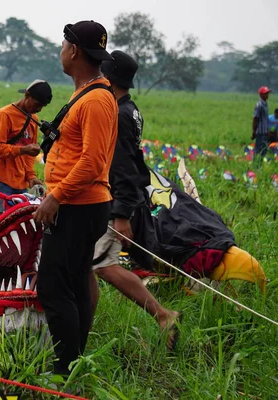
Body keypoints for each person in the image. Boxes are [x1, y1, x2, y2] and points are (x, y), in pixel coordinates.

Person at [33, 20, 117, 377]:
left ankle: (64, 369)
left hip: (77, 206)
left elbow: (93, 162)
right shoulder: (86, 93)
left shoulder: (96, 99)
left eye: (63, 44)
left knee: (53, 287)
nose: (61, 51)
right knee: (76, 281)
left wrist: (56, 198)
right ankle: (75, 363)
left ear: (73, 51)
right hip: (80, 204)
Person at [90, 50, 181, 350]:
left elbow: (125, 165)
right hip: (113, 197)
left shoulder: (117, 114)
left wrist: (121, 214)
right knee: (87, 266)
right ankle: (82, 328)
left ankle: (164, 315)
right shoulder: (129, 108)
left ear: (108, 77)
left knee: (104, 265)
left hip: (114, 198)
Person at [0, 80, 52, 218]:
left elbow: (29, 156)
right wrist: (23, 150)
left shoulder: (33, 119)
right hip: (0, 180)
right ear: (27, 95)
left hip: (21, 183)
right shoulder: (4, 115)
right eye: (37, 104)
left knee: (14, 227)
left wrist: (31, 176)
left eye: (42, 107)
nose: (39, 109)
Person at [252, 86, 271, 158]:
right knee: (258, 151)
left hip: (265, 132)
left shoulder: (265, 104)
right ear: (261, 95)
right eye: (265, 93)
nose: (267, 95)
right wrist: (254, 132)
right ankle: (255, 166)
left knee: (264, 151)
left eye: (267, 93)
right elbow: (255, 118)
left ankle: (260, 166)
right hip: (260, 132)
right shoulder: (259, 105)